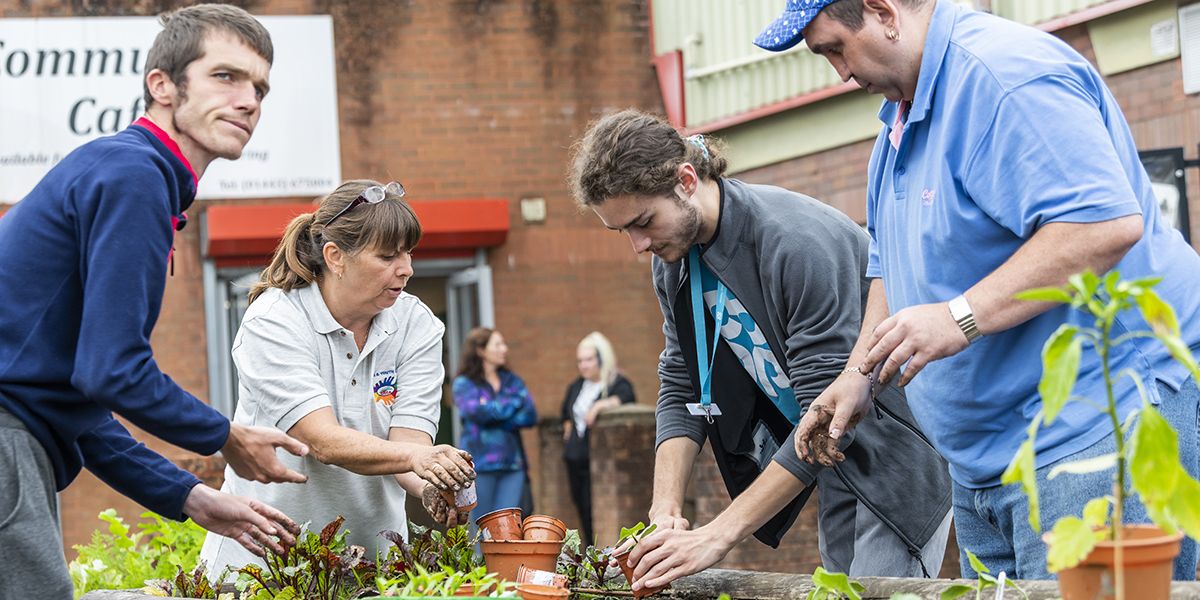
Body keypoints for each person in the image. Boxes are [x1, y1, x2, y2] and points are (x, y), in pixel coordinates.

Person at [753, 0, 1200, 580]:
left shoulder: (1004, 78)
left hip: (1091, 438)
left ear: (883, 11)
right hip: (979, 467)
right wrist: (860, 374)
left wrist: (960, 315)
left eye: (836, 47)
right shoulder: (899, 118)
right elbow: (892, 259)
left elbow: (1101, 224)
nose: (839, 72)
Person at [568, 109, 952, 593]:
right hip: (835, 467)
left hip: (893, 458)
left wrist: (717, 536)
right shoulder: (673, 260)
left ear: (686, 180)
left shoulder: (794, 243)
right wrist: (664, 511)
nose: (637, 244)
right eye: (621, 230)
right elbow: (682, 384)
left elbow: (830, 421)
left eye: (643, 222)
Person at [0, 5, 311, 598]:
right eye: (226, 76)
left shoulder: (128, 171)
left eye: (260, 87)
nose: (250, 101)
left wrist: (190, 497)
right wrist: (226, 435)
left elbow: (73, 397)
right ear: (163, 85)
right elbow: (111, 370)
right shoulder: (134, 175)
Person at [198, 179, 477, 574]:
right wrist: (418, 458)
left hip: (369, 565)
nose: (407, 269)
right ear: (335, 256)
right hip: (263, 564)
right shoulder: (276, 319)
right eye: (387, 256)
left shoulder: (417, 325)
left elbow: (408, 445)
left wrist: (430, 482)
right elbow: (321, 440)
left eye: (409, 254)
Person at [561, 331, 637, 547]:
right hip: (575, 463)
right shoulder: (577, 386)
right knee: (584, 511)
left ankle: (601, 555)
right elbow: (565, 413)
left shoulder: (615, 383)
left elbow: (628, 399)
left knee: (598, 512)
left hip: (600, 467)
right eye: (580, 361)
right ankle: (592, 553)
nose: (583, 366)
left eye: (588, 360)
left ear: (602, 359)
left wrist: (601, 405)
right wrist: (568, 427)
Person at [453, 328, 538, 520]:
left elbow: (530, 415)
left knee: (507, 527)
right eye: (498, 344)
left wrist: (496, 415)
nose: (504, 349)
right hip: (478, 467)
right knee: (482, 528)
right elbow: (478, 414)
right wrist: (514, 403)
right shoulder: (464, 384)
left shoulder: (512, 380)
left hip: (512, 466)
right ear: (481, 350)